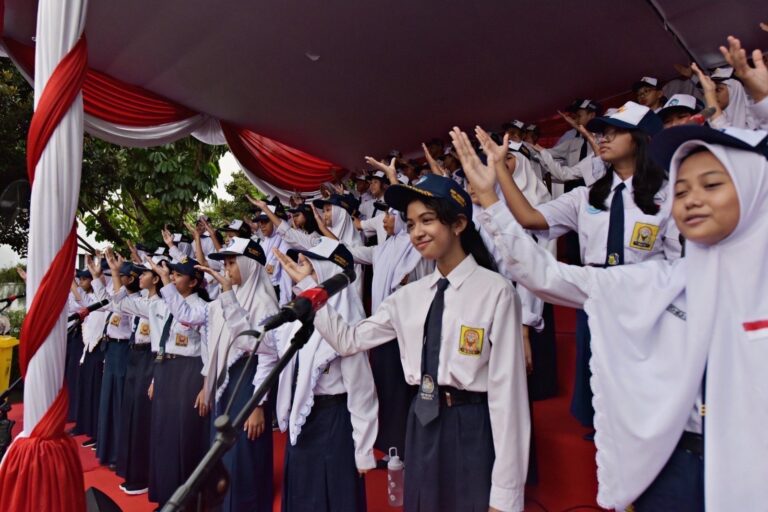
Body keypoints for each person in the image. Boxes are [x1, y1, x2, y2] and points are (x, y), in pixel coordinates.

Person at [456, 120, 768, 511]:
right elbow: (545, 274)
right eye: (682, 189)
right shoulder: (660, 282)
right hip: (672, 469)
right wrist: (489, 198)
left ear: (755, 188)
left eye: (712, 184)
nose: (689, 200)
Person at [278, 175, 530, 512]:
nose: (416, 233)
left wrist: (505, 495)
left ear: (458, 224)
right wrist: (312, 288)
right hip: (421, 422)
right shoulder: (408, 297)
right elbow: (349, 340)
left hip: (471, 424)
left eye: (427, 220)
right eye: (411, 224)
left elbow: (509, 396)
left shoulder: (496, 291)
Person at [461, 104, 681, 436]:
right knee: (598, 370)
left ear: (641, 139)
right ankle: (602, 430)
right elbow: (530, 219)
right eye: (601, 131)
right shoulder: (587, 196)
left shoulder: (670, 194)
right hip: (593, 292)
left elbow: (678, 260)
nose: (602, 138)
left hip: (646, 298)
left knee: (644, 381)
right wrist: (500, 172)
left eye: (614, 131)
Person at [271, 238, 378, 512]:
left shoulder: (348, 318)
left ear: (329, 272)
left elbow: (362, 390)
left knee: (331, 496)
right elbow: (266, 345)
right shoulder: (301, 318)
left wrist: (363, 450)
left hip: (334, 423)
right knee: (304, 495)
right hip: (305, 420)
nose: (301, 270)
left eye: (308, 265)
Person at [118, 255, 211, 509]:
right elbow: (122, 306)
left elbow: (207, 350)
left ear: (193, 282)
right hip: (164, 370)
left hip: (188, 372)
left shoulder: (202, 308)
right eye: (172, 274)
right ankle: (166, 496)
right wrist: (156, 379)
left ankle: (185, 499)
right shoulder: (159, 304)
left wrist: (206, 386)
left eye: (179, 275)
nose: (172, 278)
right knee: (162, 436)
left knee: (183, 436)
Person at [195, 237, 279, 512]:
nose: (228, 269)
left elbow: (266, 353)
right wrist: (209, 382)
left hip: (250, 379)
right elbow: (216, 344)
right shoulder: (226, 297)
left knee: (245, 453)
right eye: (226, 263)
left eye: (232, 262)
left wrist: (257, 404)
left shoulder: (264, 302)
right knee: (224, 449)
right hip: (227, 382)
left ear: (249, 264)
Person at [103, 250, 161, 496]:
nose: (139, 277)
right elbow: (120, 303)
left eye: (145, 273)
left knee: (142, 416)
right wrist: (115, 272)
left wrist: (117, 273)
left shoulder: (160, 303)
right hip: (135, 356)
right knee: (130, 413)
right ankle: (129, 467)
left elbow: (123, 302)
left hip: (150, 357)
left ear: (156, 279)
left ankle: (144, 474)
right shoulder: (145, 301)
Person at [89, 259, 141, 468]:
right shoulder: (121, 297)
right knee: (108, 399)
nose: (117, 280)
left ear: (131, 279)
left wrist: (113, 272)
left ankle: (118, 453)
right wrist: (95, 277)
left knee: (119, 401)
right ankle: (107, 448)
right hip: (110, 349)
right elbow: (105, 303)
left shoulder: (136, 300)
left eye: (122, 277)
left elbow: (118, 304)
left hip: (123, 351)